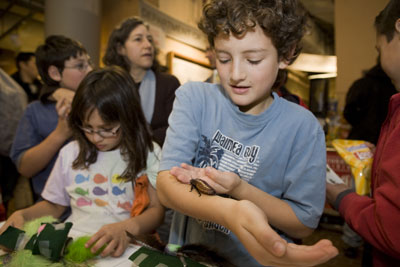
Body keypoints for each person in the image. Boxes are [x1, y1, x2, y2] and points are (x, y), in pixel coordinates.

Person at [157, 0, 338, 266]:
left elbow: (303, 223)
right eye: (224, 58)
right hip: (191, 256)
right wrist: (230, 212)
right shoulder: (194, 98)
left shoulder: (304, 127)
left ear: (285, 55)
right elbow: (165, 186)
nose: (236, 74)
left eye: (253, 60)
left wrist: (240, 189)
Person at [0, 66, 164, 258]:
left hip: (127, 248)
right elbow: (54, 206)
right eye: (88, 128)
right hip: (74, 245)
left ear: (128, 118)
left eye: (107, 129)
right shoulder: (70, 152)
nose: (96, 138)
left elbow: (157, 210)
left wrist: (127, 227)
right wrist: (24, 215)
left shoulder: (148, 152)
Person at [326, 0, 400, 266]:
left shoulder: (363, 86)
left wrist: (342, 198)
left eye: (380, 48)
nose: (380, 57)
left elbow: (390, 227)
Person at [10, 35, 92, 201]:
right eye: (80, 66)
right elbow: (25, 167)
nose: (90, 70)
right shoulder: (35, 111)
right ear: (55, 73)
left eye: (89, 63)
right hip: (53, 210)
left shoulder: (98, 103)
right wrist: (60, 134)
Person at [103, 17, 180, 147]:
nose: (148, 45)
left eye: (149, 40)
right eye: (138, 39)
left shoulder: (168, 84)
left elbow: (176, 129)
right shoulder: (107, 86)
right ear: (120, 49)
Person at [344, 61, 397, 145]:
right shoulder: (394, 88)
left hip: (360, 139)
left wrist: (361, 125)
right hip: (386, 141)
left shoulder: (361, 84)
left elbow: (348, 112)